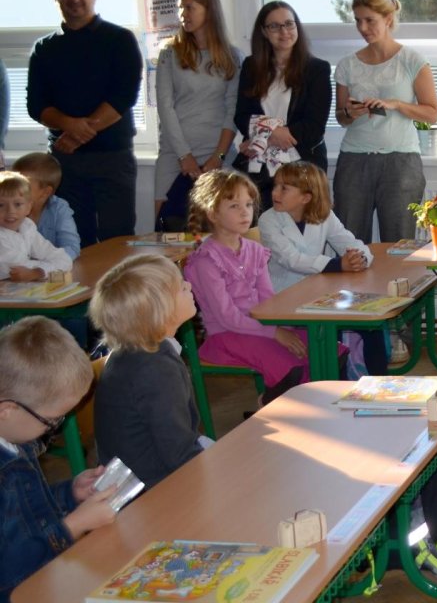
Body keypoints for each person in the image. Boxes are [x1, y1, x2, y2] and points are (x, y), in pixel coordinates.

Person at [0, 316, 117, 598]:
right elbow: (7, 569)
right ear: (6, 410)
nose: (55, 427)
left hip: (46, 579)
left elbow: (26, 514)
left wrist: (70, 494)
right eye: (52, 420)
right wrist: (73, 525)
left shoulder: (15, 439)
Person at [26, 0, 141, 246]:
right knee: (73, 240)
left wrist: (77, 135)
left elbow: (124, 96)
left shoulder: (120, 39)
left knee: (118, 240)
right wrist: (70, 126)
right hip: (65, 162)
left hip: (113, 158)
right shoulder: (44, 48)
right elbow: (36, 105)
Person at [183, 168, 318, 406]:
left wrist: (284, 327)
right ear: (213, 214)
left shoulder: (255, 250)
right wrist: (275, 333)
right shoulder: (206, 261)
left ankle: (311, 408)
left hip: (261, 328)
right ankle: (270, 406)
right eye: (234, 206)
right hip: (227, 337)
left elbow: (268, 300)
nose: (245, 212)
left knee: (328, 351)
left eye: (248, 204)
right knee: (291, 368)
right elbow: (228, 318)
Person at [257, 161, 388, 375]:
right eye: (275, 186)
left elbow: (350, 242)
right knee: (332, 327)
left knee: (371, 324)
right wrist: (339, 265)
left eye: (284, 188)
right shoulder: (268, 220)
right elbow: (292, 259)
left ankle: (379, 385)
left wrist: (360, 258)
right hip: (284, 297)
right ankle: (336, 382)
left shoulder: (324, 215)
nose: (275, 193)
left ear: (306, 198)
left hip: (317, 293)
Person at [91, 254, 207, 490]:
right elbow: (179, 453)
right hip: (152, 493)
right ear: (160, 310)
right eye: (181, 287)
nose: (189, 285)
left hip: (144, 479)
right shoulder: (156, 370)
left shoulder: (133, 352)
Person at [333, 0, 437, 243]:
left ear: (388, 19)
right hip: (353, 161)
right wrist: (350, 112)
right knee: (350, 243)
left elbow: (432, 113)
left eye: (370, 20)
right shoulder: (347, 65)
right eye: (358, 20)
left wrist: (396, 104)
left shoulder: (413, 60)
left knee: (399, 242)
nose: (363, 28)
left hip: (401, 162)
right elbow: (341, 117)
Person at [154, 0, 243, 224]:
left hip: (218, 156)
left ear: (209, 10)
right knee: (167, 230)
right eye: (180, 8)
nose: (183, 14)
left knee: (220, 229)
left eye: (189, 7)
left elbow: (233, 109)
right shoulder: (169, 54)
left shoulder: (233, 56)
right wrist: (184, 155)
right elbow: (165, 106)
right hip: (175, 155)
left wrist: (218, 156)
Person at [234, 2, 331, 205]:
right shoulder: (251, 66)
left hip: (303, 164)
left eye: (289, 24)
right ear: (264, 31)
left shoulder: (317, 69)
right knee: (257, 221)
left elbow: (314, 126)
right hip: (259, 166)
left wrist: (264, 138)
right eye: (274, 26)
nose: (284, 31)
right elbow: (242, 116)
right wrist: (272, 134)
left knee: (298, 223)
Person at [0, 171, 72, 282]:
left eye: (18, 204)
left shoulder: (26, 226)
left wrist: (38, 272)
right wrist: (43, 270)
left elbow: (64, 259)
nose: (10, 211)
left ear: (29, 207)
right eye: (1, 205)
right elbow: (15, 267)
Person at [12, 153, 81, 260]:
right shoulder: (6, 206)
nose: (15, 190)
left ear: (45, 192)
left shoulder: (59, 208)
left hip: (49, 267)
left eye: (23, 185)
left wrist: (46, 265)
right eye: (13, 183)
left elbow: (72, 247)